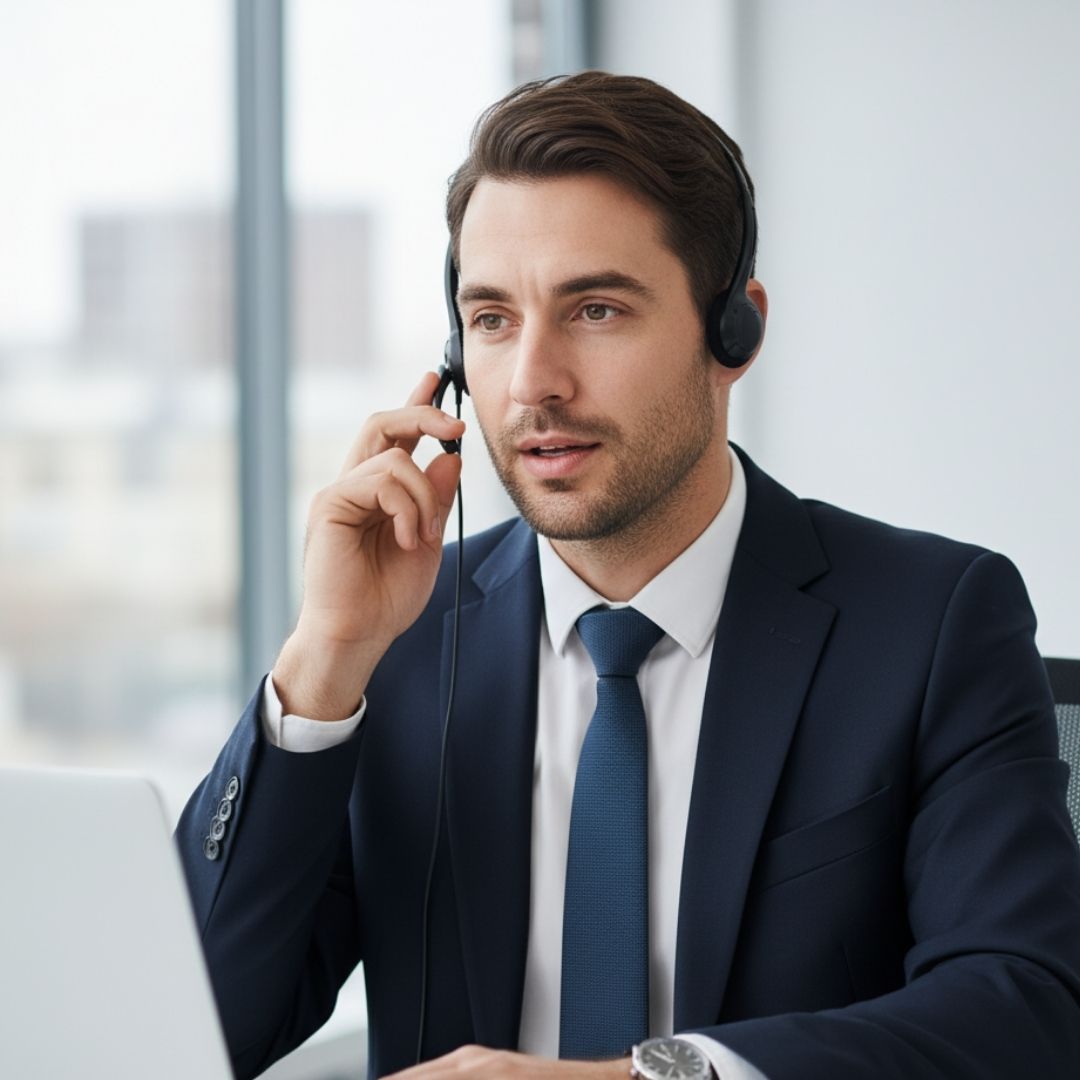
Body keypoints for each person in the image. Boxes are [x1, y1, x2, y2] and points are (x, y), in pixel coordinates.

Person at [177, 72, 1080, 1080]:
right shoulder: (400, 637)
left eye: (595, 309)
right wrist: (324, 662)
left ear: (734, 332)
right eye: (492, 320)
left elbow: (1024, 1010)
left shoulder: (932, 623)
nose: (532, 384)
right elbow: (186, 1030)